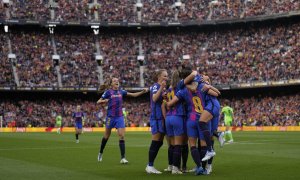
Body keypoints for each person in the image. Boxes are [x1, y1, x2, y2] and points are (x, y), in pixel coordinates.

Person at [97, 77, 148, 164]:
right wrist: (105, 100)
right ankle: (101, 152)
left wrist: (143, 91)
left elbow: (133, 95)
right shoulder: (108, 92)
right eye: (114, 81)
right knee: (106, 137)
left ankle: (123, 158)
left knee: (121, 136)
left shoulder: (121, 91)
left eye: (117, 80)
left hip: (119, 117)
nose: (117, 82)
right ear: (111, 84)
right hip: (110, 117)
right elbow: (98, 101)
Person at [145, 69, 168, 174]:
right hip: (156, 117)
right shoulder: (155, 86)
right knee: (156, 141)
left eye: (167, 76)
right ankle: (150, 165)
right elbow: (154, 98)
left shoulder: (163, 88)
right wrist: (162, 88)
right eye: (164, 76)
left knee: (160, 142)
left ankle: (151, 165)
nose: (166, 78)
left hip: (162, 117)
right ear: (159, 76)